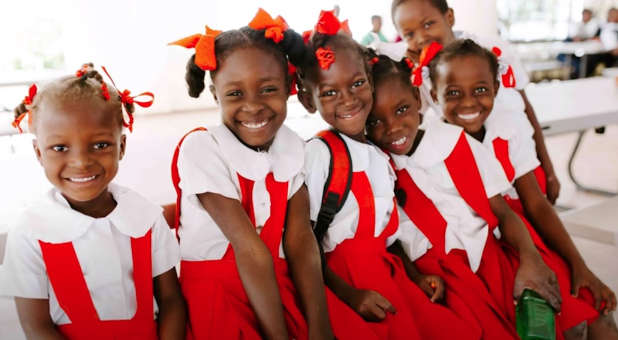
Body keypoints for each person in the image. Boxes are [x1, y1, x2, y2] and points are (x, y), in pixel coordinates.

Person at [296, 9, 479, 340]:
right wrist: (350, 295)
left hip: (386, 274)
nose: (348, 100)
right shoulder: (319, 154)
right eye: (329, 93)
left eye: (357, 84)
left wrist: (415, 277)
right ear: (308, 100)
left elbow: (386, 239)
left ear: (369, 77)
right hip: (348, 285)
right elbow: (304, 244)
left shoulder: (379, 156)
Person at [428, 38, 618, 340]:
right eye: (453, 93)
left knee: (597, 310)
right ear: (433, 95)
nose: (468, 103)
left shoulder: (507, 127)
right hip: (474, 250)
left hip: (521, 234)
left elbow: (537, 204)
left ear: (496, 89)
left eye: (481, 90)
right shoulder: (431, 144)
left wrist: (579, 265)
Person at [169, 8, 333, 340]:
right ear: (215, 94)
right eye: (234, 94)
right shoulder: (201, 148)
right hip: (219, 294)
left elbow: (300, 241)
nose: (253, 106)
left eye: (268, 89)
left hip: (275, 282)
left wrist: (320, 326)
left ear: (289, 85)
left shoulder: (294, 148)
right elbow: (250, 249)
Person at [0, 63, 186, 339]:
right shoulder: (30, 232)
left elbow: (171, 302)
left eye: (100, 145)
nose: (81, 162)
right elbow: (37, 327)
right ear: (39, 152)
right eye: (60, 148)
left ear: (121, 146)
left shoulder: (145, 217)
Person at [390, 0, 562, 204]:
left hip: (522, 167)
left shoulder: (492, 49)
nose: (420, 38)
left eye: (428, 24)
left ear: (450, 17)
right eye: (409, 34)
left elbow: (526, 111)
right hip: (481, 183)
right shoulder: (421, 75)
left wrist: (549, 170)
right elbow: (417, 125)